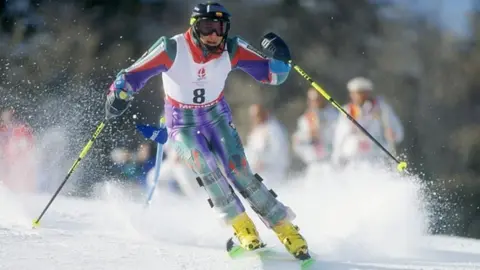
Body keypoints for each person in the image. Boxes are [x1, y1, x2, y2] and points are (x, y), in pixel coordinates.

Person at [104, 2, 310, 260]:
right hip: (181, 122)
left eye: (219, 28)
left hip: (216, 116)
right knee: (206, 168)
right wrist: (118, 94)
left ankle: (286, 229)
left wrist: (282, 57)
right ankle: (242, 228)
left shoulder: (231, 48)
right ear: (194, 26)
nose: (213, 35)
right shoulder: (172, 48)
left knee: (240, 171)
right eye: (206, 27)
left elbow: (272, 75)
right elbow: (133, 75)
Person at [331, 77, 404, 167]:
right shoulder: (347, 110)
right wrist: (337, 156)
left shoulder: (382, 108)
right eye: (356, 93)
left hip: (376, 157)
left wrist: (393, 134)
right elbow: (340, 135)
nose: (359, 96)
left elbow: (398, 131)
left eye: (362, 92)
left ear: (368, 93)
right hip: (353, 158)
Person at [244, 104, 290, 187]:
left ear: (264, 113)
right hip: (258, 174)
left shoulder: (274, 129)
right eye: (253, 116)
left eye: (257, 115)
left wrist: (264, 162)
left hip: (273, 173)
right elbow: (251, 151)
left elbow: (279, 151)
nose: (255, 119)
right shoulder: (255, 131)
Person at [292, 87, 338, 167]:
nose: (314, 102)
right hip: (313, 164)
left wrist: (322, 132)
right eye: (311, 100)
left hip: (330, 162)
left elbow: (338, 136)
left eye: (317, 99)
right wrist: (308, 135)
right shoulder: (305, 119)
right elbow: (297, 142)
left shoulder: (334, 115)